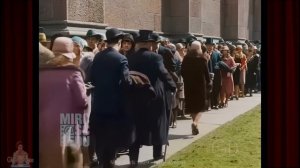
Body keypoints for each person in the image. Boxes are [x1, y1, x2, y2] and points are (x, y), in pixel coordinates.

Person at [127, 30, 176, 167]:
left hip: (135, 96)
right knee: (158, 123)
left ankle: (133, 159)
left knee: (136, 127)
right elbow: (163, 73)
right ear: (149, 44)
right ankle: (157, 152)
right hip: (154, 95)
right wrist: (172, 86)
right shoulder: (155, 57)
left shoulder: (130, 57)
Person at [39, 37, 88, 168]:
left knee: (48, 158)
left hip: (44, 122)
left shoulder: (41, 72)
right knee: (72, 159)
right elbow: (82, 101)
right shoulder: (73, 73)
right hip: (69, 120)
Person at [89, 28, 134, 168]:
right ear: (120, 42)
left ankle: (103, 161)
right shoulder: (121, 58)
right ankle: (110, 161)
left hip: (98, 104)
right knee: (112, 139)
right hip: (115, 106)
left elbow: (92, 78)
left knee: (101, 138)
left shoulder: (98, 56)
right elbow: (127, 82)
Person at [181, 41, 211, 135]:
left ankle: (195, 125)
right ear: (199, 49)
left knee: (192, 107)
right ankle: (195, 123)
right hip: (200, 86)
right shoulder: (202, 59)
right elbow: (207, 74)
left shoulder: (186, 59)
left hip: (189, 86)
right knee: (200, 107)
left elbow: (182, 72)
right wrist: (209, 83)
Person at [206, 38, 222, 109]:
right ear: (206, 46)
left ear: (213, 46)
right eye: (208, 45)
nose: (210, 47)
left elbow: (219, 62)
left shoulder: (216, 54)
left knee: (216, 89)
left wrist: (217, 65)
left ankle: (215, 103)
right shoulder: (204, 54)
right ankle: (209, 104)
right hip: (207, 74)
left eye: (211, 45)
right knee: (208, 90)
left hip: (215, 74)